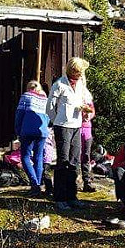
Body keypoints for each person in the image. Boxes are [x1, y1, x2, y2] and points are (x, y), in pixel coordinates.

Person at [47, 57, 94, 211]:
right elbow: (50, 107)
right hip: (63, 127)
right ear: (73, 71)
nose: (81, 75)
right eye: (79, 72)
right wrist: (57, 122)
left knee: (74, 161)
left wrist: (86, 112)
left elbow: (88, 100)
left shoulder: (81, 85)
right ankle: (60, 197)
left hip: (77, 126)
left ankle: (72, 196)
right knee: (63, 161)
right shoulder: (59, 85)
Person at [15, 80, 50, 196]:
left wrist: (18, 131)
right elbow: (49, 116)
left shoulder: (26, 97)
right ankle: (38, 185)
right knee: (38, 157)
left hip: (27, 131)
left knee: (25, 156)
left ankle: (34, 185)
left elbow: (19, 115)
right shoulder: (45, 99)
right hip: (42, 132)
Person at [80, 93, 96, 192]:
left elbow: (92, 110)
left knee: (86, 156)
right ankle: (74, 182)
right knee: (75, 156)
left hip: (86, 130)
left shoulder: (88, 98)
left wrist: (89, 115)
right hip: (75, 128)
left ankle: (87, 182)